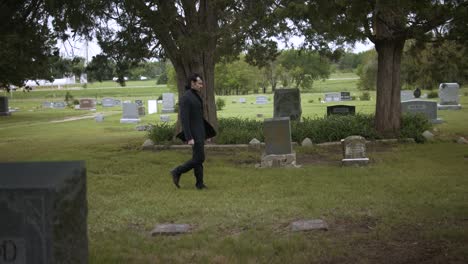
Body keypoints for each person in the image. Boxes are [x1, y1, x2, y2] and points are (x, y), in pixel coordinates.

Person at [170, 73, 216, 189]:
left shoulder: (195, 95)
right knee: (200, 158)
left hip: (200, 132)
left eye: (201, 83)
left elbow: (199, 118)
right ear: (193, 83)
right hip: (194, 134)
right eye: (199, 83)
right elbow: (184, 120)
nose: (201, 86)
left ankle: (199, 184)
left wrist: (206, 134)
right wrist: (189, 137)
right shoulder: (186, 98)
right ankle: (177, 171)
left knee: (198, 159)